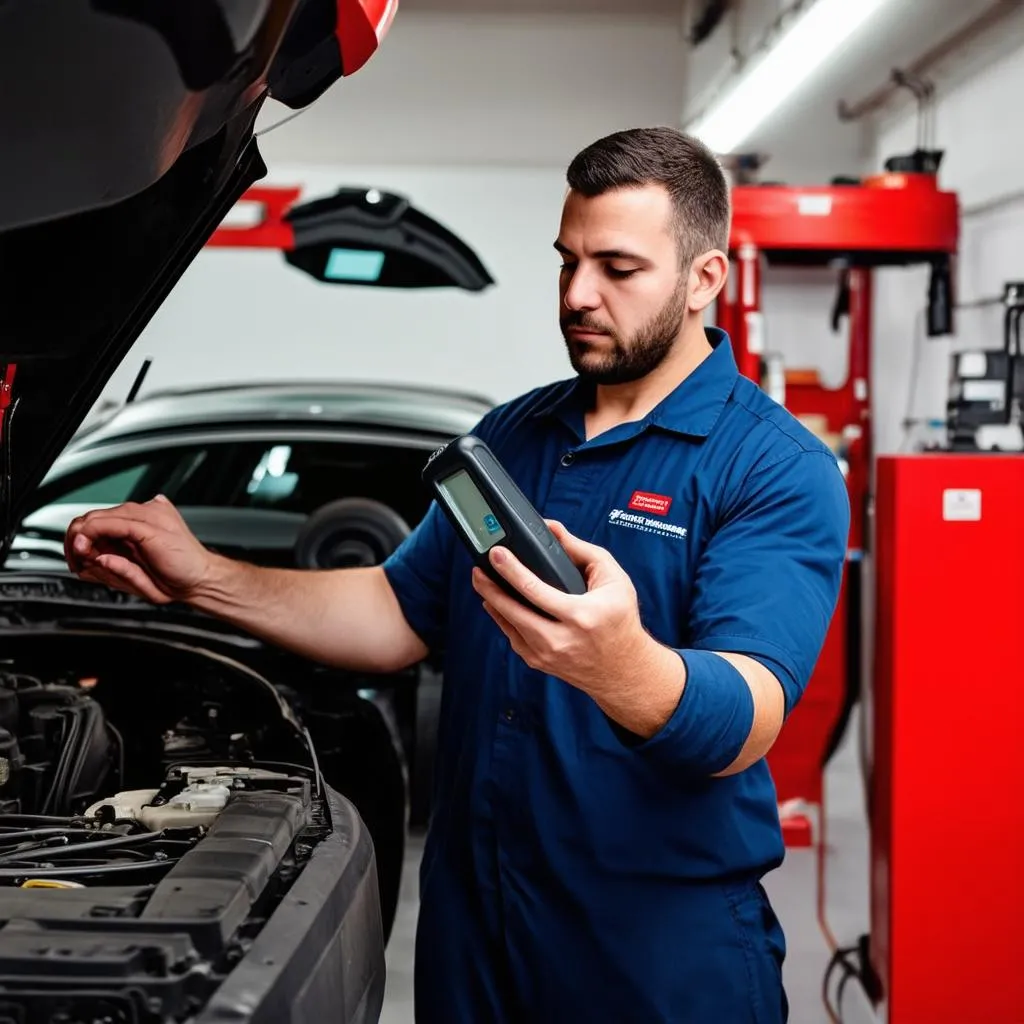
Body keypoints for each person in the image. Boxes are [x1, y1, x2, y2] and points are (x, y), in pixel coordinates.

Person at [65, 127, 850, 1023]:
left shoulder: (772, 466)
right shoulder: (514, 436)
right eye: (568, 262)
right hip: (477, 930)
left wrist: (617, 661)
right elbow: (395, 613)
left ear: (705, 279)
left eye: (618, 269)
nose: (578, 296)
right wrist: (201, 575)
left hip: (656, 951)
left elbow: (748, 716)